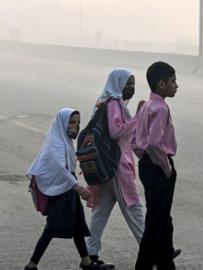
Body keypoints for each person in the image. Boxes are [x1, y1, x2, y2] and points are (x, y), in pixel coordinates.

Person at [24, 108, 107, 270]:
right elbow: (60, 169)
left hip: (67, 187)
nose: (75, 127)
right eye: (71, 122)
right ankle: (31, 264)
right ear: (62, 123)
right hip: (60, 189)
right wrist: (78, 187)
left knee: (77, 225)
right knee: (51, 228)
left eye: (77, 123)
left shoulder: (64, 140)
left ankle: (86, 261)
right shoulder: (54, 143)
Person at [85, 68, 145, 268]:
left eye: (133, 85)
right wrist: (137, 117)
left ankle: (90, 256)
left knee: (101, 211)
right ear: (117, 84)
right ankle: (152, 252)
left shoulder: (105, 101)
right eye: (127, 84)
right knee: (134, 208)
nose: (131, 88)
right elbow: (115, 131)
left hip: (108, 167)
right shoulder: (114, 103)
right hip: (117, 167)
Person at [133, 61, 179, 270]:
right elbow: (153, 143)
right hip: (159, 166)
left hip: (147, 165)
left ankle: (165, 263)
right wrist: (166, 168)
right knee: (155, 221)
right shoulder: (160, 108)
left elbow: (136, 140)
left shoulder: (146, 106)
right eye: (172, 81)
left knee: (161, 218)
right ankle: (143, 265)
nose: (176, 86)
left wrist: (143, 156)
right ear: (162, 84)